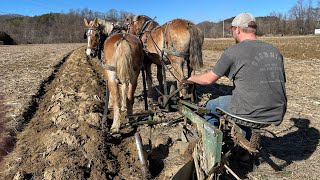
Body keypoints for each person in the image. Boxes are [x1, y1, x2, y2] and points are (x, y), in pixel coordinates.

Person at [185, 12, 287, 138]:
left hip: (250, 111)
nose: (232, 33)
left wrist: (191, 78)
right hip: (276, 112)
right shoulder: (274, 51)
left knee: (211, 106)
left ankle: (211, 144)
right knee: (244, 99)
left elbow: (208, 79)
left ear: (238, 30)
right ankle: (244, 148)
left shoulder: (234, 51)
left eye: (232, 30)